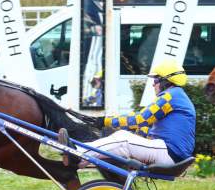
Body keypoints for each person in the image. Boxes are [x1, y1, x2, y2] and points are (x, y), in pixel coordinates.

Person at [59, 59, 196, 166]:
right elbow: (143, 124)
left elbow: (140, 119)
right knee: (122, 140)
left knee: (123, 139)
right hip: (168, 152)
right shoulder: (175, 96)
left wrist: (105, 121)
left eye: (155, 80)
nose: (153, 84)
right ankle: (80, 160)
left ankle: (77, 152)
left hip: (169, 153)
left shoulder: (170, 97)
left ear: (166, 81)